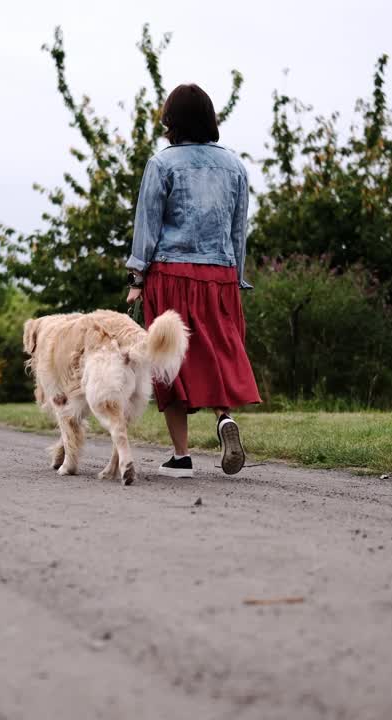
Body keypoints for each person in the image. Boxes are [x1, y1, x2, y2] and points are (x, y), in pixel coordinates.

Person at [126, 83, 261, 478]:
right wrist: (236, 278)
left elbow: (147, 225)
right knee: (219, 350)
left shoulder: (162, 164)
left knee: (170, 359)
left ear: (172, 121)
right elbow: (240, 230)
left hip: (171, 273)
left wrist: (137, 276)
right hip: (220, 273)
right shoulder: (234, 166)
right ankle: (224, 419)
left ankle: (181, 456)